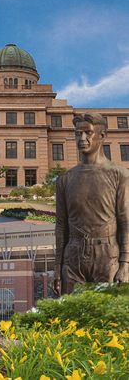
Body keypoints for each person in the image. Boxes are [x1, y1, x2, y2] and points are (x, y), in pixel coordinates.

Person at [54, 113, 129, 296]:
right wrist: (57, 268)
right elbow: (61, 225)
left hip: (107, 254)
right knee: (69, 314)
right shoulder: (65, 180)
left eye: (88, 133)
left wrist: (125, 264)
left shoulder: (119, 175)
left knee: (108, 316)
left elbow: (126, 222)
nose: (82, 139)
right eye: (78, 133)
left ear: (102, 135)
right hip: (72, 255)